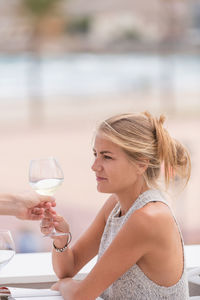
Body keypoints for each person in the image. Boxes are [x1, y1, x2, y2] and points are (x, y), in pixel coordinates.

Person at [44, 112, 191, 300]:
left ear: (141, 164)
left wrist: (65, 285)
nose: (95, 166)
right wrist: (61, 239)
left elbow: (80, 296)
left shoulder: (149, 218)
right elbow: (68, 268)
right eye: (95, 154)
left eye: (106, 157)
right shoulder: (115, 205)